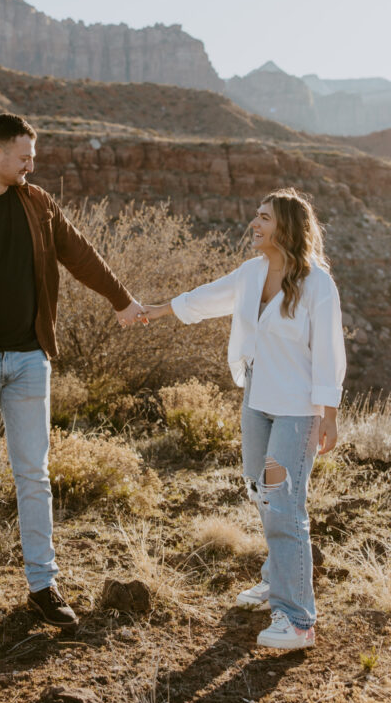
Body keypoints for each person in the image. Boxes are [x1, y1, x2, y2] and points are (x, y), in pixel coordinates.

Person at [0, 113, 145, 629]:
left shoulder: (38, 203)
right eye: (24, 157)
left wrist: (121, 300)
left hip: (28, 360)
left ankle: (42, 583)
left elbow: (79, 253)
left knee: (33, 474)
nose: (31, 165)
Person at [143, 187, 345, 650]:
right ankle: (277, 579)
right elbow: (205, 298)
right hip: (257, 399)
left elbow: (331, 353)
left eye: (264, 218)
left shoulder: (317, 284)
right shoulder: (253, 273)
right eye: (256, 216)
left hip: (298, 408)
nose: (253, 224)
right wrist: (155, 312)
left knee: (283, 503)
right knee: (259, 489)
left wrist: (328, 416)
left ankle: (297, 621)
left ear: (287, 228)